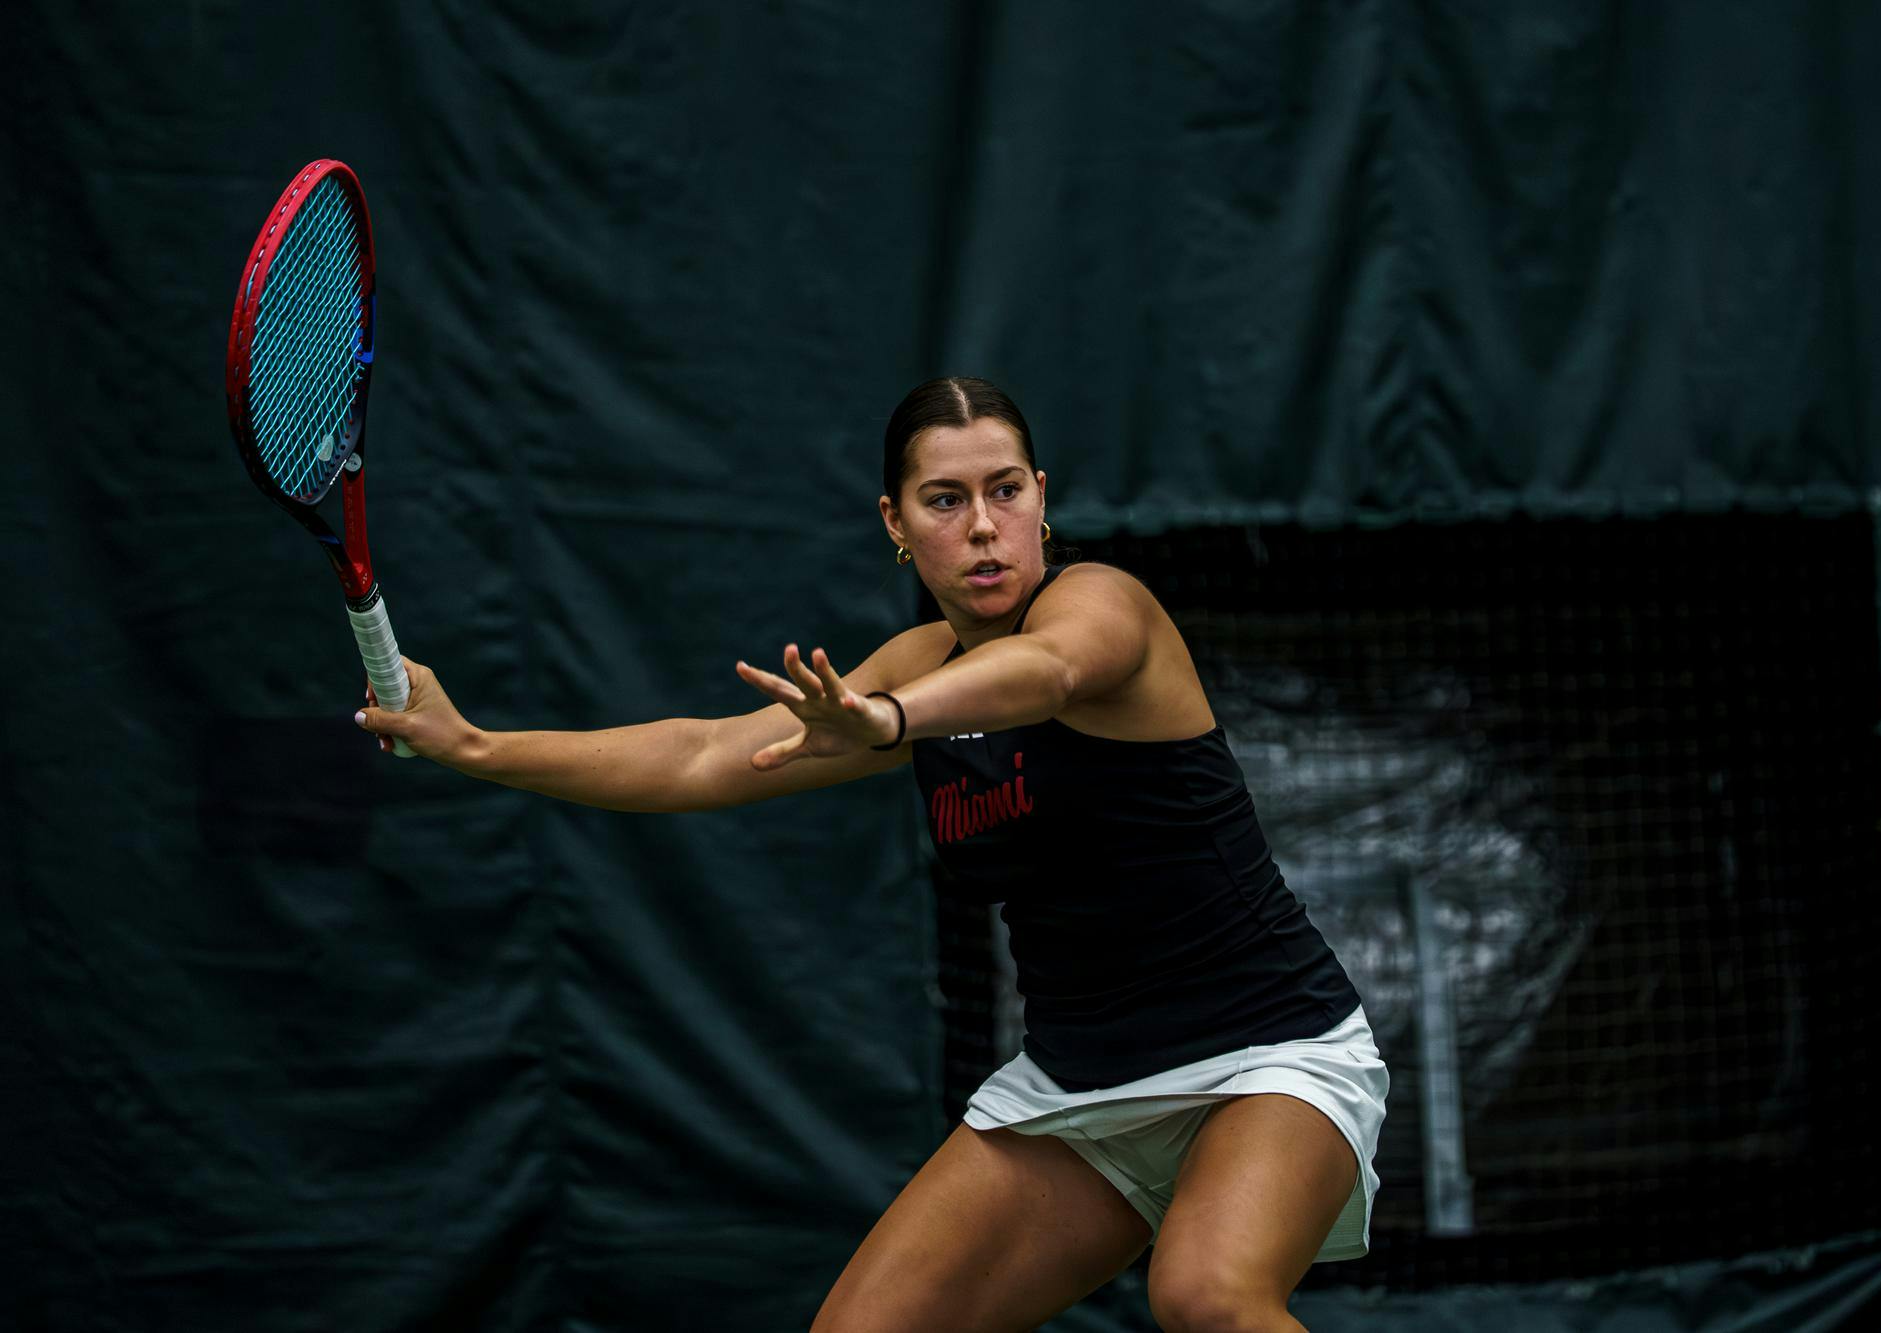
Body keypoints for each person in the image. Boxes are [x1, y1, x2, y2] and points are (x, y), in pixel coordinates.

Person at [355, 377, 1389, 1333]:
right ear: (896, 523)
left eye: (1005, 490)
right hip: (1080, 1083)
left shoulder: (1102, 606)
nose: (981, 525)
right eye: (944, 500)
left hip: (1271, 1051)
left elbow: (1048, 670)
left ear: (1041, 497)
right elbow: (702, 755)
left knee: (1206, 1296)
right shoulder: (916, 662)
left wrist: (891, 717)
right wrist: (475, 746)